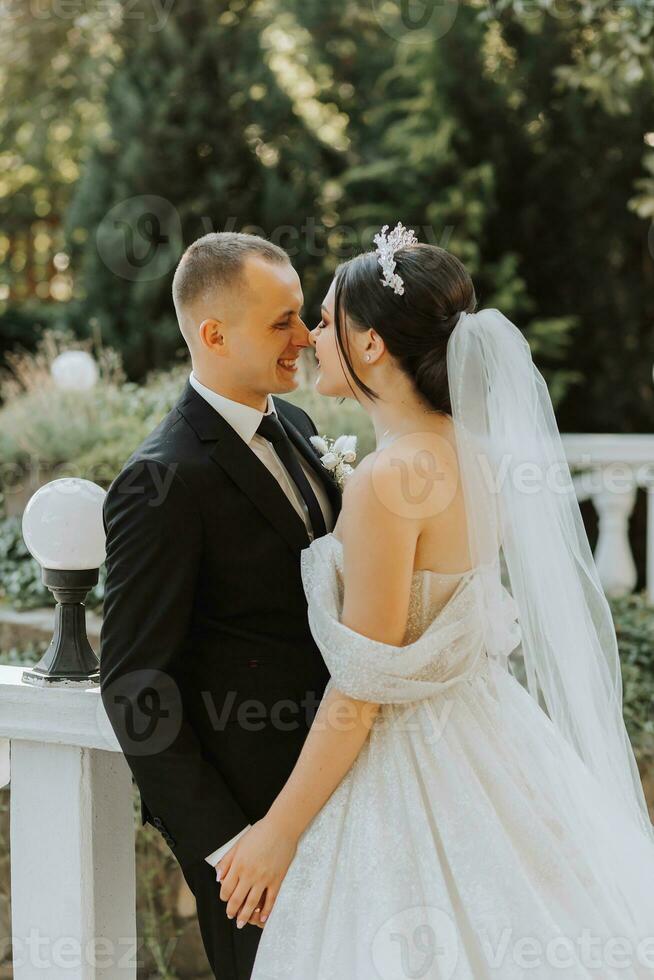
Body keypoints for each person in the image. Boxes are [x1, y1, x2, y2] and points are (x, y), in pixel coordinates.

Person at [216, 224, 654, 979]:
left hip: (413, 763)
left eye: (325, 320)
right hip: (495, 736)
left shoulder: (390, 482)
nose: (314, 336)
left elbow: (365, 683)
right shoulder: (475, 456)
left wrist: (277, 832)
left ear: (373, 346)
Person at [99, 232, 342, 980]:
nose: (306, 337)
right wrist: (228, 845)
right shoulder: (161, 481)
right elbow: (135, 681)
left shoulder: (297, 428)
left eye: (302, 316)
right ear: (213, 333)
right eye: (283, 322)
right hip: (254, 833)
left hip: (342, 789)